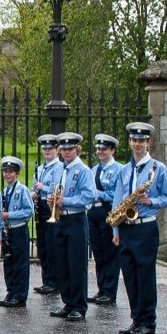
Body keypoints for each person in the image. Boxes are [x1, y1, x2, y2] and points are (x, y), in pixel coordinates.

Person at [111, 122, 167, 334]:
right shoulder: (124, 169)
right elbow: (117, 200)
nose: (138, 144)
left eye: (142, 141)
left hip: (145, 227)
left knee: (145, 275)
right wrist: (115, 231)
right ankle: (136, 319)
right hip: (126, 227)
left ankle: (148, 322)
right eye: (134, 140)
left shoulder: (158, 168)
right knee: (129, 275)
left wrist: (151, 201)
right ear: (130, 142)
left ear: (148, 142)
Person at [50, 133, 95, 321]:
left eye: (70, 149)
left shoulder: (83, 170)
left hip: (76, 219)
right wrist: (51, 200)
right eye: (63, 149)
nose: (66, 152)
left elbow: (89, 196)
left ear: (77, 150)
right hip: (61, 220)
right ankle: (68, 302)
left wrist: (64, 201)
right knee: (62, 263)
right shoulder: (59, 169)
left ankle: (79, 305)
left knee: (77, 264)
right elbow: (54, 190)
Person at [87, 134, 123, 305]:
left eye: (104, 149)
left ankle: (110, 291)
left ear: (112, 150)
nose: (100, 152)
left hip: (108, 213)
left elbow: (117, 194)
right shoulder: (93, 170)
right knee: (98, 253)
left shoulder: (118, 170)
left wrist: (98, 193)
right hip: (93, 213)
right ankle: (101, 288)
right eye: (98, 149)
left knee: (110, 254)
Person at [0, 157, 34, 308]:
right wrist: (0, 233)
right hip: (7, 232)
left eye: (10, 172)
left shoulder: (22, 190)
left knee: (20, 263)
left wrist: (10, 215)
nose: (7, 175)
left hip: (18, 229)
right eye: (5, 172)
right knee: (9, 263)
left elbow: (28, 211)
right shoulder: (3, 192)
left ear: (17, 174)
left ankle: (20, 295)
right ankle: (11, 292)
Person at [31, 134, 63, 295]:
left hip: (51, 207)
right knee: (42, 245)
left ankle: (54, 281)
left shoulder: (59, 168)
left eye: (50, 148)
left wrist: (42, 187)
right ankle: (46, 279)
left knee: (52, 245)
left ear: (57, 150)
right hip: (40, 207)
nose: (47, 151)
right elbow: (33, 186)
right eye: (45, 149)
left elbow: (56, 189)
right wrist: (33, 193)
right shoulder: (40, 168)